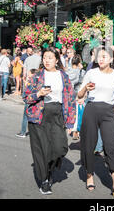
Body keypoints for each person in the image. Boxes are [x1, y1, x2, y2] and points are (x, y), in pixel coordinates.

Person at [23, 47, 76, 195]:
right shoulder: (37, 76)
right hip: (38, 116)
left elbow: (70, 99)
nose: (47, 60)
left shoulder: (63, 76)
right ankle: (45, 180)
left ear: (57, 60)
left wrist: (71, 123)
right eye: (45, 57)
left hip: (57, 115)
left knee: (60, 148)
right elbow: (26, 97)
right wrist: (39, 93)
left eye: (50, 58)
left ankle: (50, 169)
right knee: (42, 150)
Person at [77, 47, 114, 197]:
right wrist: (85, 88)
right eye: (99, 56)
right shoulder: (91, 73)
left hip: (108, 112)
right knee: (88, 145)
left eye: (105, 57)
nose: (101, 59)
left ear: (111, 60)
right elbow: (79, 94)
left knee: (112, 146)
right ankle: (89, 175)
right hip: (91, 109)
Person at [16, 68, 39, 138]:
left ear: (33, 74)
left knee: (25, 116)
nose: (28, 75)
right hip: (36, 100)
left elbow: (27, 91)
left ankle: (23, 132)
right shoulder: (38, 80)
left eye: (29, 73)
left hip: (29, 99)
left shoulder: (31, 81)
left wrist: (26, 83)